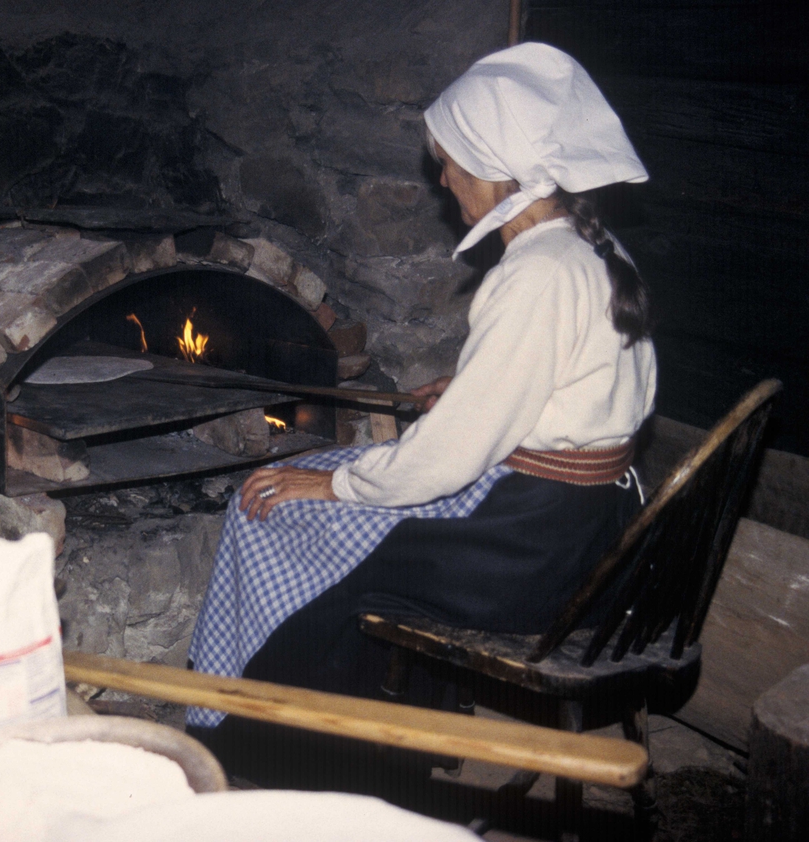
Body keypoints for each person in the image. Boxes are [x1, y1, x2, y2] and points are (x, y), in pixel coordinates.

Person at [183, 42, 658, 785]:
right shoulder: (589, 249)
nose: (442, 179)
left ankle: (289, 748)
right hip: (588, 522)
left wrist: (336, 486)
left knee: (272, 504)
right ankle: (406, 728)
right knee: (309, 477)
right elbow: (565, 389)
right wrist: (469, 387)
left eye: (450, 163)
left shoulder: (535, 273)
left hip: (527, 549)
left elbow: (447, 459)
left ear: (498, 166)